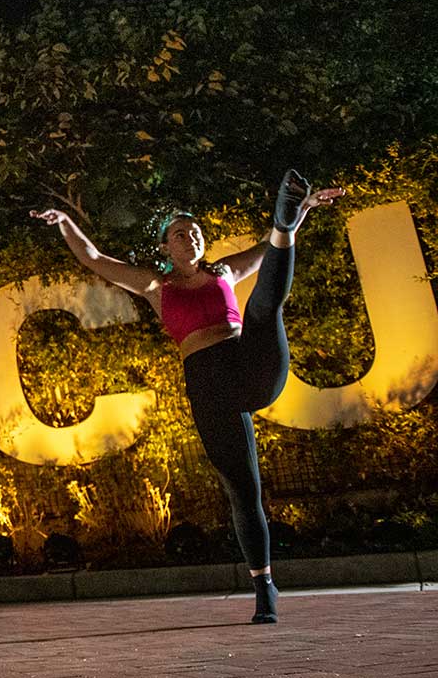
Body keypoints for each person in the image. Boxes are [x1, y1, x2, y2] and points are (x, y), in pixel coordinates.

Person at [31, 170, 343, 623]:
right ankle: (264, 586)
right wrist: (63, 220)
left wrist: (300, 214)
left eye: (195, 231)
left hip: (252, 362)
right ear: (165, 248)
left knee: (261, 306)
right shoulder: (157, 287)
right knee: (243, 492)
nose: (191, 237)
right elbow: (94, 257)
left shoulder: (226, 271)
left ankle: (283, 213)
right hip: (210, 385)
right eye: (180, 234)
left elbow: (275, 256)